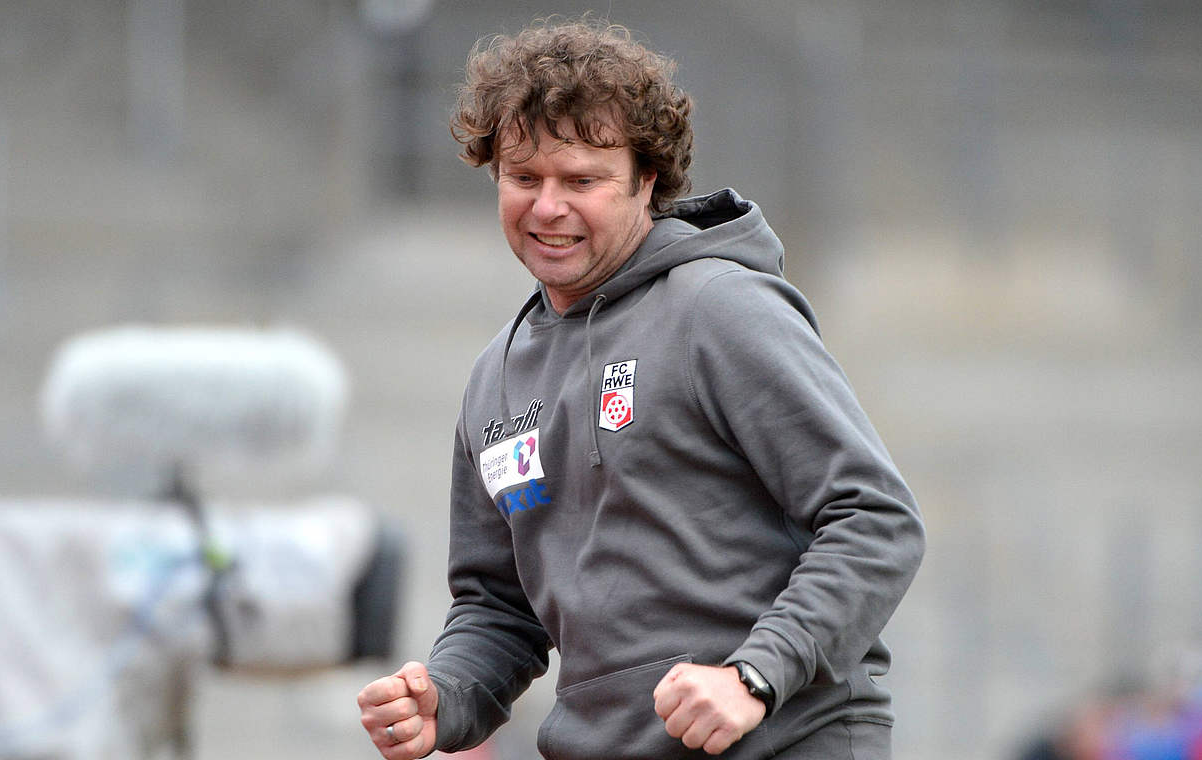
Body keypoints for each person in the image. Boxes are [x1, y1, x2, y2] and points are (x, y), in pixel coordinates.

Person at [357, 18, 926, 760]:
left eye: (581, 181)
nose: (547, 207)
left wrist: (755, 675)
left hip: (786, 740)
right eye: (523, 177)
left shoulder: (719, 310)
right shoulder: (493, 379)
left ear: (646, 181)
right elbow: (498, 607)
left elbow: (875, 519)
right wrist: (448, 695)